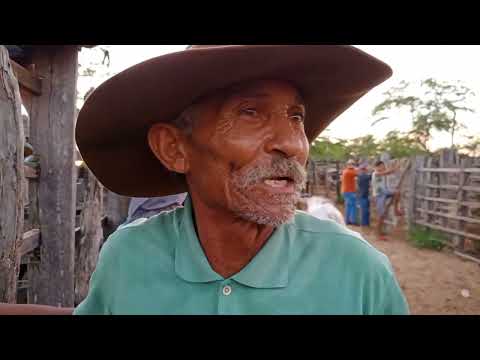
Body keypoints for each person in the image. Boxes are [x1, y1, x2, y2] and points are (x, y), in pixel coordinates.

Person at [73, 45, 408, 315]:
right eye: (250, 112)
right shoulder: (129, 258)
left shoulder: (358, 271)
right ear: (174, 148)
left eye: (296, 118)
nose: (292, 144)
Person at [372, 160, 402, 240]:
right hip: (379, 195)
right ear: (377, 167)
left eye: (383, 166)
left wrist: (394, 168)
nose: (383, 167)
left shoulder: (380, 173)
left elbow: (387, 171)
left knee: (397, 193)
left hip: (384, 193)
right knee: (381, 215)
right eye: (381, 166)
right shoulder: (375, 173)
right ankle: (378, 235)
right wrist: (395, 168)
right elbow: (387, 172)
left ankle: (396, 210)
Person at [341, 159, 358, 225]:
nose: (353, 165)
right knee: (353, 206)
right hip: (350, 191)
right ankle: (352, 221)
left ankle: (347, 221)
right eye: (352, 164)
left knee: (348, 206)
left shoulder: (345, 171)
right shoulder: (351, 171)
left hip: (345, 191)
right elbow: (358, 173)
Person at [357, 162, 372, 227]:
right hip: (363, 195)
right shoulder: (363, 176)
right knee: (365, 211)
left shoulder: (361, 176)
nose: (365, 170)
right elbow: (371, 176)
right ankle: (364, 224)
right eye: (364, 169)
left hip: (364, 195)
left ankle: (366, 224)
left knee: (366, 211)